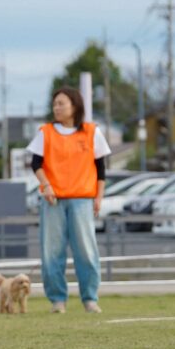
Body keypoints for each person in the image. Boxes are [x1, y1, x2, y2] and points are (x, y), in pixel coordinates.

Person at [27, 87, 109, 314]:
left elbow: (101, 169)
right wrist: (47, 185)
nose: (57, 107)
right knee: (51, 251)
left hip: (82, 199)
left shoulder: (91, 132)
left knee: (86, 251)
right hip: (53, 200)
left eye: (62, 103)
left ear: (75, 106)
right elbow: (36, 164)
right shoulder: (46, 132)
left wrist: (99, 197)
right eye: (55, 104)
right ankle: (57, 300)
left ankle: (90, 298)